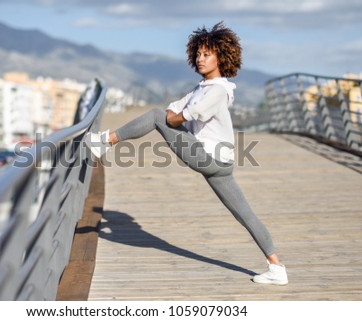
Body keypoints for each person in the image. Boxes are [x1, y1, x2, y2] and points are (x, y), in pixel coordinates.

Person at [85, 22, 288, 285]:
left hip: (209, 156)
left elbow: (183, 115)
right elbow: (175, 109)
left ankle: (105, 141)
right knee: (244, 213)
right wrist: (176, 116)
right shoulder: (201, 88)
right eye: (198, 54)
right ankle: (277, 268)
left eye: (207, 54)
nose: (200, 59)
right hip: (219, 162)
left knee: (156, 116)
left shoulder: (218, 89)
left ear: (221, 57)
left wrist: (176, 117)